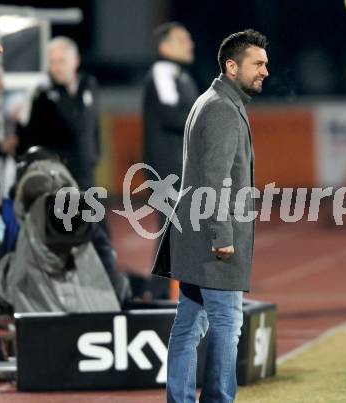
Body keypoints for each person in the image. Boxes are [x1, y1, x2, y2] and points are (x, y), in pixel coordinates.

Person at [151, 29, 269, 402]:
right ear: (232, 66)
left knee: (188, 326)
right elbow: (216, 180)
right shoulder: (221, 108)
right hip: (212, 240)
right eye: (258, 63)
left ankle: (180, 399)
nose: (266, 70)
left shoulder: (212, 99)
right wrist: (223, 236)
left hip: (192, 236)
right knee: (226, 324)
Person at [141, 22, 198, 299]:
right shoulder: (162, 72)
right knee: (173, 229)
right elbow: (172, 114)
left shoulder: (182, 76)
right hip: (166, 168)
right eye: (181, 39)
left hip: (182, 167)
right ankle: (159, 292)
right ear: (164, 47)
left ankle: (164, 291)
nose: (189, 43)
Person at [16, 36, 100, 190]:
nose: (56, 67)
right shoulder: (41, 93)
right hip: (56, 175)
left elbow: (93, 124)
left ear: (75, 60)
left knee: (92, 213)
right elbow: (29, 135)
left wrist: (94, 154)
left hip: (84, 170)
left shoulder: (89, 84)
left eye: (61, 61)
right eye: (52, 62)